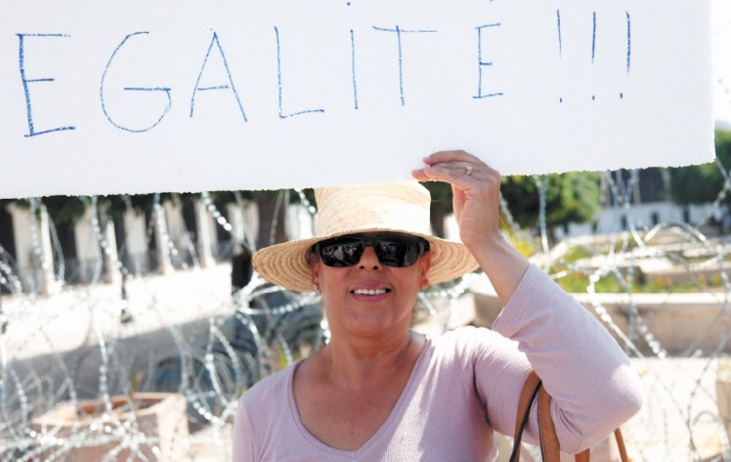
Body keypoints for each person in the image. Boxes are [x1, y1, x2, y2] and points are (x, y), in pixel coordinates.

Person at [233, 150, 643, 461]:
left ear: (424, 269)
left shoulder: (467, 368)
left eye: (396, 249)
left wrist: (488, 242)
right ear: (316, 271)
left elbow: (609, 399)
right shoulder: (259, 412)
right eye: (344, 249)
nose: (370, 261)